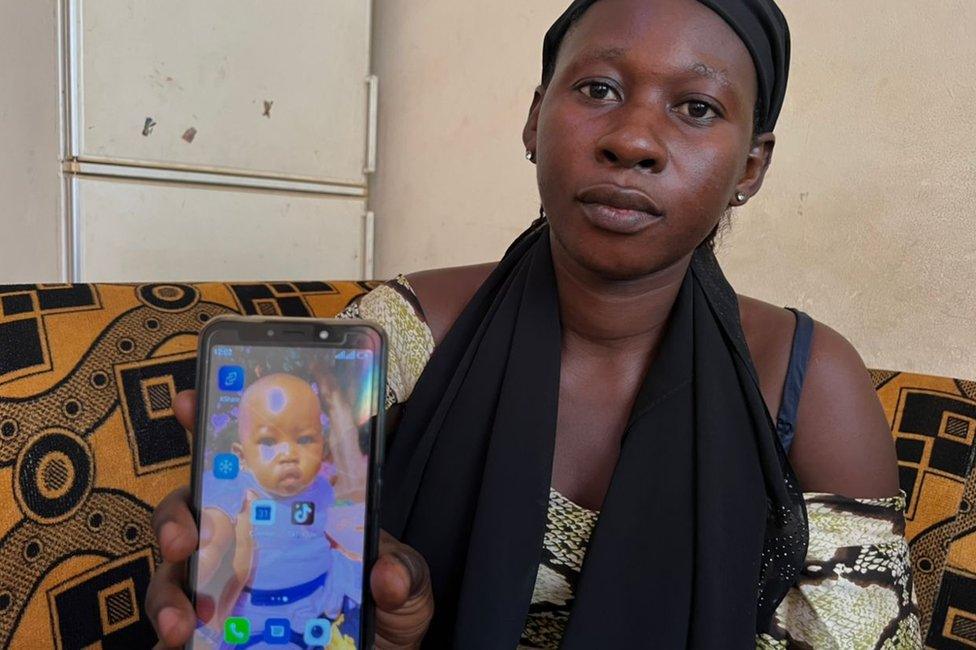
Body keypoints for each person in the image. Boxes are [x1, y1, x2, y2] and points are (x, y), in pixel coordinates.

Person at [147, 0, 920, 647]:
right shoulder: (408, 330)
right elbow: (289, 528)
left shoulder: (806, 382)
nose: (633, 140)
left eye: (696, 107)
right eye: (598, 90)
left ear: (750, 166)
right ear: (533, 119)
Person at [191, 373, 363, 648]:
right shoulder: (238, 485)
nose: (289, 454)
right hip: (262, 611)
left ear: (322, 445)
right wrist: (208, 554)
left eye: (305, 439)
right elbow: (216, 523)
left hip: (325, 590)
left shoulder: (319, 487)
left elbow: (314, 530)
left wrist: (340, 550)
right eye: (269, 442)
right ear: (242, 456)